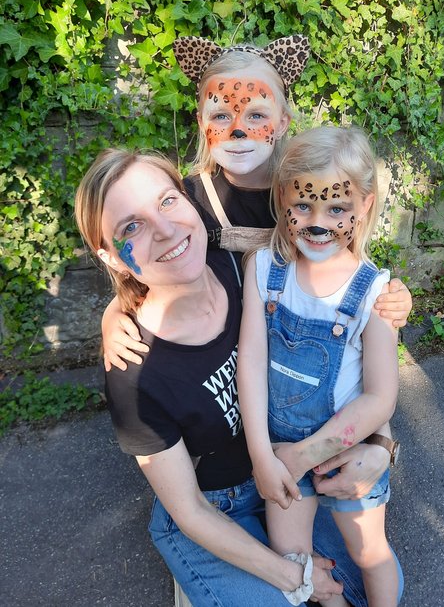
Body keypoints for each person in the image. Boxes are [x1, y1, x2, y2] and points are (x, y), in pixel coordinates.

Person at [74, 149, 402, 606]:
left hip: (286, 469)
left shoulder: (237, 265)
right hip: (212, 507)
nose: (165, 230)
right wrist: (296, 578)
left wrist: (381, 445)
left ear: (190, 200)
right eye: (132, 227)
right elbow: (189, 510)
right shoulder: (135, 370)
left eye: (167, 201)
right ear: (110, 256)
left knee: (375, 584)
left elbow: (353, 343)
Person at [102, 35, 412, 375]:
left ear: (282, 122)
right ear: (201, 122)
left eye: (256, 115)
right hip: (220, 362)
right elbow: (156, 269)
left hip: (291, 361)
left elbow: (345, 262)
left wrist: (393, 297)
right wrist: (114, 312)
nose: (238, 130)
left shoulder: (306, 197)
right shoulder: (186, 202)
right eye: (221, 115)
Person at [238, 126, 401, 606]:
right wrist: (261, 456)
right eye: (303, 205)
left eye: (336, 209)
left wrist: (305, 455)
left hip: (343, 453)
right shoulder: (263, 269)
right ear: (282, 198)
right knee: (294, 560)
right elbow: (251, 361)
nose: (317, 223)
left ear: (364, 205)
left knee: (369, 552)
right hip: (280, 452)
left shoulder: (374, 294)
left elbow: (381, 397)